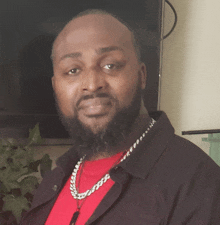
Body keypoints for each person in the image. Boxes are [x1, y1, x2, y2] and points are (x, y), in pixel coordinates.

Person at [20, 9, 220, 225]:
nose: (91, 83)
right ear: (55, 87)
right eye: (73, 70)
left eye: (110, 65)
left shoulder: (198, 183)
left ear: (141, 75)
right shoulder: (54, 179)